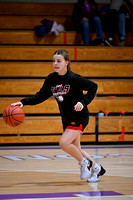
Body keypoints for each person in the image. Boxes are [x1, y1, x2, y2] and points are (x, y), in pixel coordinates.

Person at [11, 49, 106, 182]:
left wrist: (83, 102)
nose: (55, 63)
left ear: (66, 62)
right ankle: (98, 169)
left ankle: (84, 163)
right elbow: (40, 96)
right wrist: (23, 102)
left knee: (63, 143)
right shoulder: (51, 79)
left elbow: (93, 87)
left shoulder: (73, 78)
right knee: (77, 149)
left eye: (59, 61)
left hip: (79, 116)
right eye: (54, 61)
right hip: (66, 118)